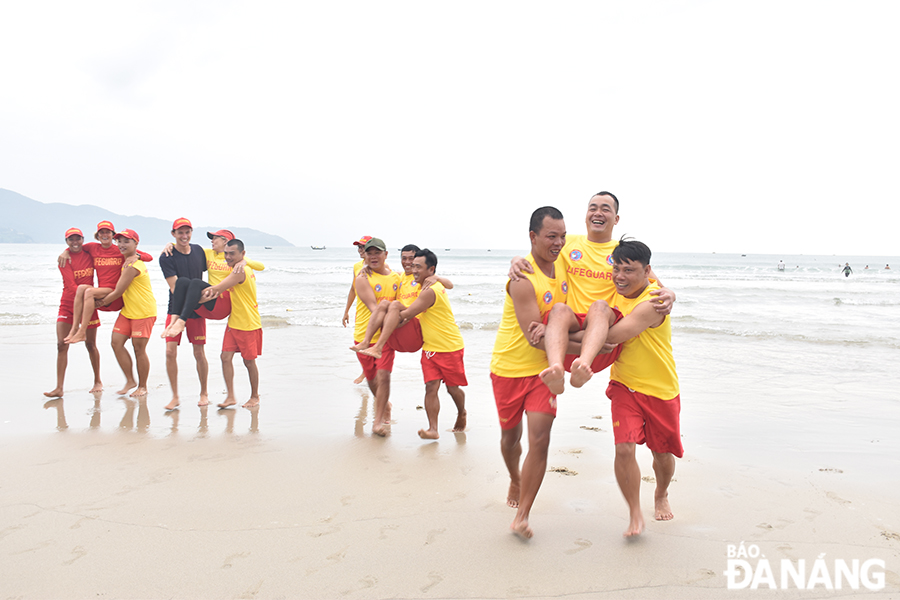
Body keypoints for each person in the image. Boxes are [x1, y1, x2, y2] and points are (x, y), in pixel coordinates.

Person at [510, 192, 675, 395]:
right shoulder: (566, 243)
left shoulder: (621, 253)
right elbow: (537, 255)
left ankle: (583, 366)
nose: (598, 212)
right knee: (559, 309)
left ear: (616, 219)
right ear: (586, 214)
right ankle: (556, 370)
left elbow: (655, 286)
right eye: (593, 208)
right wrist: (516, 259)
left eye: (606, 208)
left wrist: (670, 294)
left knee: (599, 306)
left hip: (601, 343)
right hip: (565, 342)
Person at [491, 207, 568, 539]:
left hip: (544, 372)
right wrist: (590, 348)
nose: (559, 243)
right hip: (509, 369)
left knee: (540, 439)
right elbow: (534, 338)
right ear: (533, 237)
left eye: (563, 236)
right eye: (552, 236)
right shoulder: (521, 279)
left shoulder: (566, 262)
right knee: (511, 439)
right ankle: (514, 476)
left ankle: (522, 515)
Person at [601, 238, 682, 538]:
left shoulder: (654, 301)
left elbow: (614, 336)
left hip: (661, 389)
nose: (620, 276)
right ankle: (634, 512)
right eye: (616, 269)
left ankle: (661, 493)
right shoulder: (615, 286)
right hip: (624, 385)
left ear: (647, 271)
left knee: (661, 453)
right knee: (624, 448)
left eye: (629, 270)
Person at [392, 249, 467, 440]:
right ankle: (433, 429)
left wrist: (384, 317)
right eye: (412, 265)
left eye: (418, 266)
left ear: (431, 269)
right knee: (430, 387)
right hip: (430, 349)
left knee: (452, 389)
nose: (413, 269)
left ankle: (462, 413)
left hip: (449, 347)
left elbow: (406, 316)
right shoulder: (423, 286)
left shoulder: (430, 291)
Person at [351, 244, 453, 359]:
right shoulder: (399, 276)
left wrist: (437, 277)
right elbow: (383, 268)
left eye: (411, 258)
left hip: (413, 321)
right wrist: (366, 267)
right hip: (398, 321)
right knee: (384, 303)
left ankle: (378, 347)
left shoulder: (422, 277)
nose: (407, 262)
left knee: (394, 304)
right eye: (404, 258)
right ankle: (366, 341)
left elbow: (450, 285)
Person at [62, 220, 153, 344]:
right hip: (102, 292)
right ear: (97, 235)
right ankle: (74, 330)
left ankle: (82, 331)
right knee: (81, 288)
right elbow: (75, 247)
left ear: (112, 235)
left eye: (108, 232)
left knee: (88, 291)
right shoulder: (92, 247)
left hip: (114, 293)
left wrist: (138, 256)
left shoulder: (120, 249)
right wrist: (65, 252)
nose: (104, 235)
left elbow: (149, 257)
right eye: (101, 232)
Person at [198, 239, 263, 409]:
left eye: (232, 253)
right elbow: (260, 265)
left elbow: (216, 290)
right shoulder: (238, 266)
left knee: (249, 362)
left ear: (242, 254)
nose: (227, 257)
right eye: (226, 253)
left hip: (248, 323)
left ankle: (255, 396)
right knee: (225, 357)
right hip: (234, 321)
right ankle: (231, 396)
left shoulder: (240, 271)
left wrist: (189, 299)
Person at [95, 229, 157, 398]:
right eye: (119, 241)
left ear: (136, 244)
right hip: (128, 311)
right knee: (116, 342)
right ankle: (130, 380)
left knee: (139, 349)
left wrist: (97, 304)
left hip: (144, 312)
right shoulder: (127, 259)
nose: (121, 245)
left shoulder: (132, 266)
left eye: (126, 241)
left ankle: (142, 386)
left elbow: (117, 292)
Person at [351, 238, 401, 435]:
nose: (373, 257)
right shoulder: (362, 278)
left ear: (385, 255)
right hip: (363, 334)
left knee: (384, 376)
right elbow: (374, 309)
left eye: (377, 253)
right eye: (369, 253)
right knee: (371, 379)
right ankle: (385, 405)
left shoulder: (397, 278)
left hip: (386, 337)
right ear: (365, 255)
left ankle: (378, 421)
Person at [158, 218, 209, 410]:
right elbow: (174, 288)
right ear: (173, 234)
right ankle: (175, 396)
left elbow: (220, 258)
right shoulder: (166, 257)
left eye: (187, 232)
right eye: (180, 232)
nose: (184, 236)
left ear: (191, 232)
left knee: (199, 352)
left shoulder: (199, 251)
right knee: (170, 352)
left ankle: (204, 393)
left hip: (197, 310)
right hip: (177, 309)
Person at [44, 228, 102, 397]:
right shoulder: (64, 259)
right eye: (71, 239)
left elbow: (106, 251)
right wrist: (64, 252)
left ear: (83, 239)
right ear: (66, 242)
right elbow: (70, 285)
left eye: (78, 239)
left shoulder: (89, 254)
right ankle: (59, 388)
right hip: (68, 305)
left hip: (89, 305)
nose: (75, 242)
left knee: (90, 345)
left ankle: (97, 381)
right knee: (62, 344)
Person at [343, 235, 372, 385]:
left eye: (363, 246)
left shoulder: (380, 266)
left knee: (374, 344)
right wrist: (346, 310)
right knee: (358, 344)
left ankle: (369, 374)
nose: (360, 250)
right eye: (358, 247)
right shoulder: (357, 266)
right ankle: (366, 371)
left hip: (374, 311)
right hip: (360, 311)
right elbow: (353, 289)